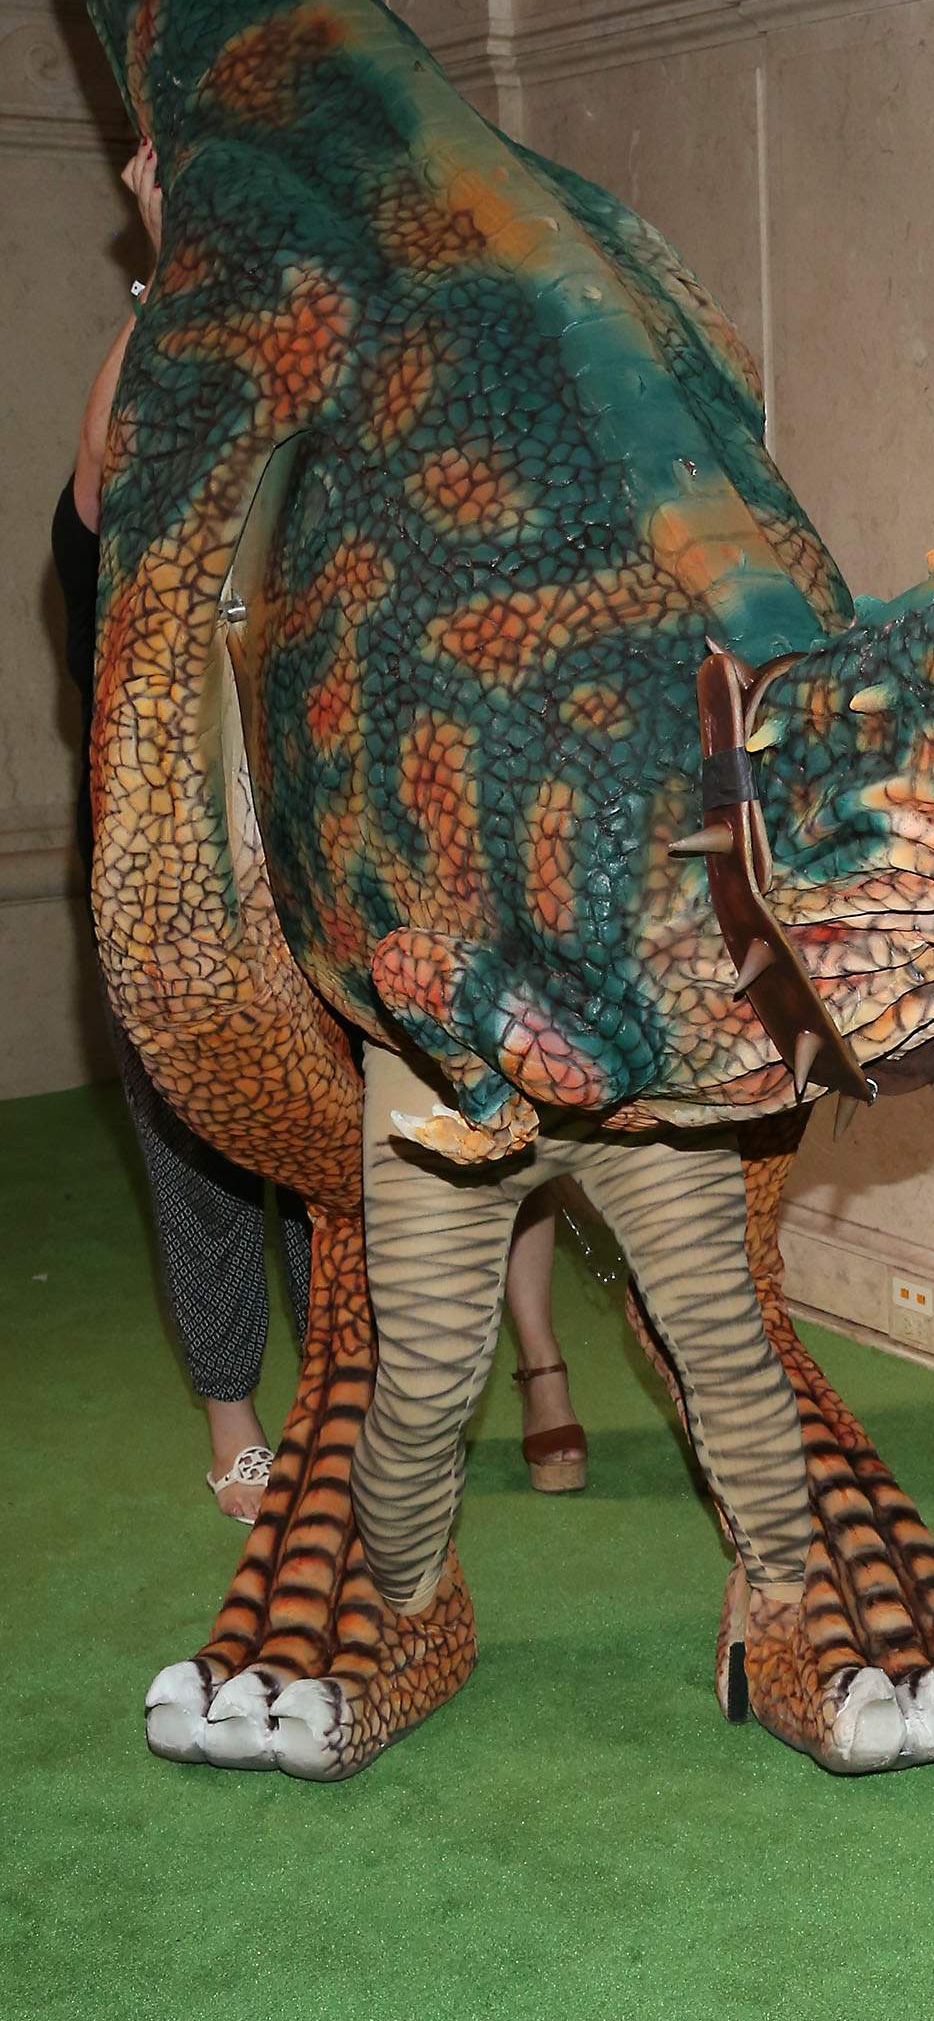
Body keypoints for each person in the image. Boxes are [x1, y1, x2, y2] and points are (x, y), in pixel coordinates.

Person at [56, 141, 587, 1515]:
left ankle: (343, 1401)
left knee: (342, 1155)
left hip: (316, 877)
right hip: (171, 887)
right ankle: (233, 1422)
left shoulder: (317, 540)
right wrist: (175, 261)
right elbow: (99, 476)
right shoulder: (128, 550)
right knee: (195, 1153)